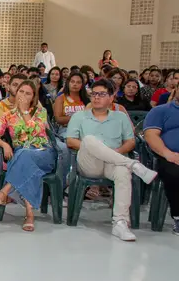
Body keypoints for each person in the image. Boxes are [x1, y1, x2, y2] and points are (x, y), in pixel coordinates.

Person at [66, 79, 157, 242]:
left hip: (113, 163)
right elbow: (71, 141)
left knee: (123, 172)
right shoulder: (80, 116)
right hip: (89, 163)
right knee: (89, 140)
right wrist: (100, 151)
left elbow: (130, 142)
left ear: (111, 97)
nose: (96, 98)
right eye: (94, 94)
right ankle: (134, 165)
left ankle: (120, 223)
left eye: (101, 94)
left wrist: (113, 153)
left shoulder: (120, 117)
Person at [0, 80, 55, 232]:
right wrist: (4, 144)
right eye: (21, 92)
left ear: (33, 97)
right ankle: (29, 215)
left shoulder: (40, 112)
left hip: (43, 152)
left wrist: (24, 111)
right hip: (22, 156)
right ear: (15, 93)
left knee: (24, 155)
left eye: (28, 93)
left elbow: (36, 132)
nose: (23, 96)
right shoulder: (7, 116)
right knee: (25, 159)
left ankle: (5, 191)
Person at [143, 94, 179, 234]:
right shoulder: (160, 111)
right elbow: (151, 135)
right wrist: (167, 153)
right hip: (169, 157)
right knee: (174, 173)